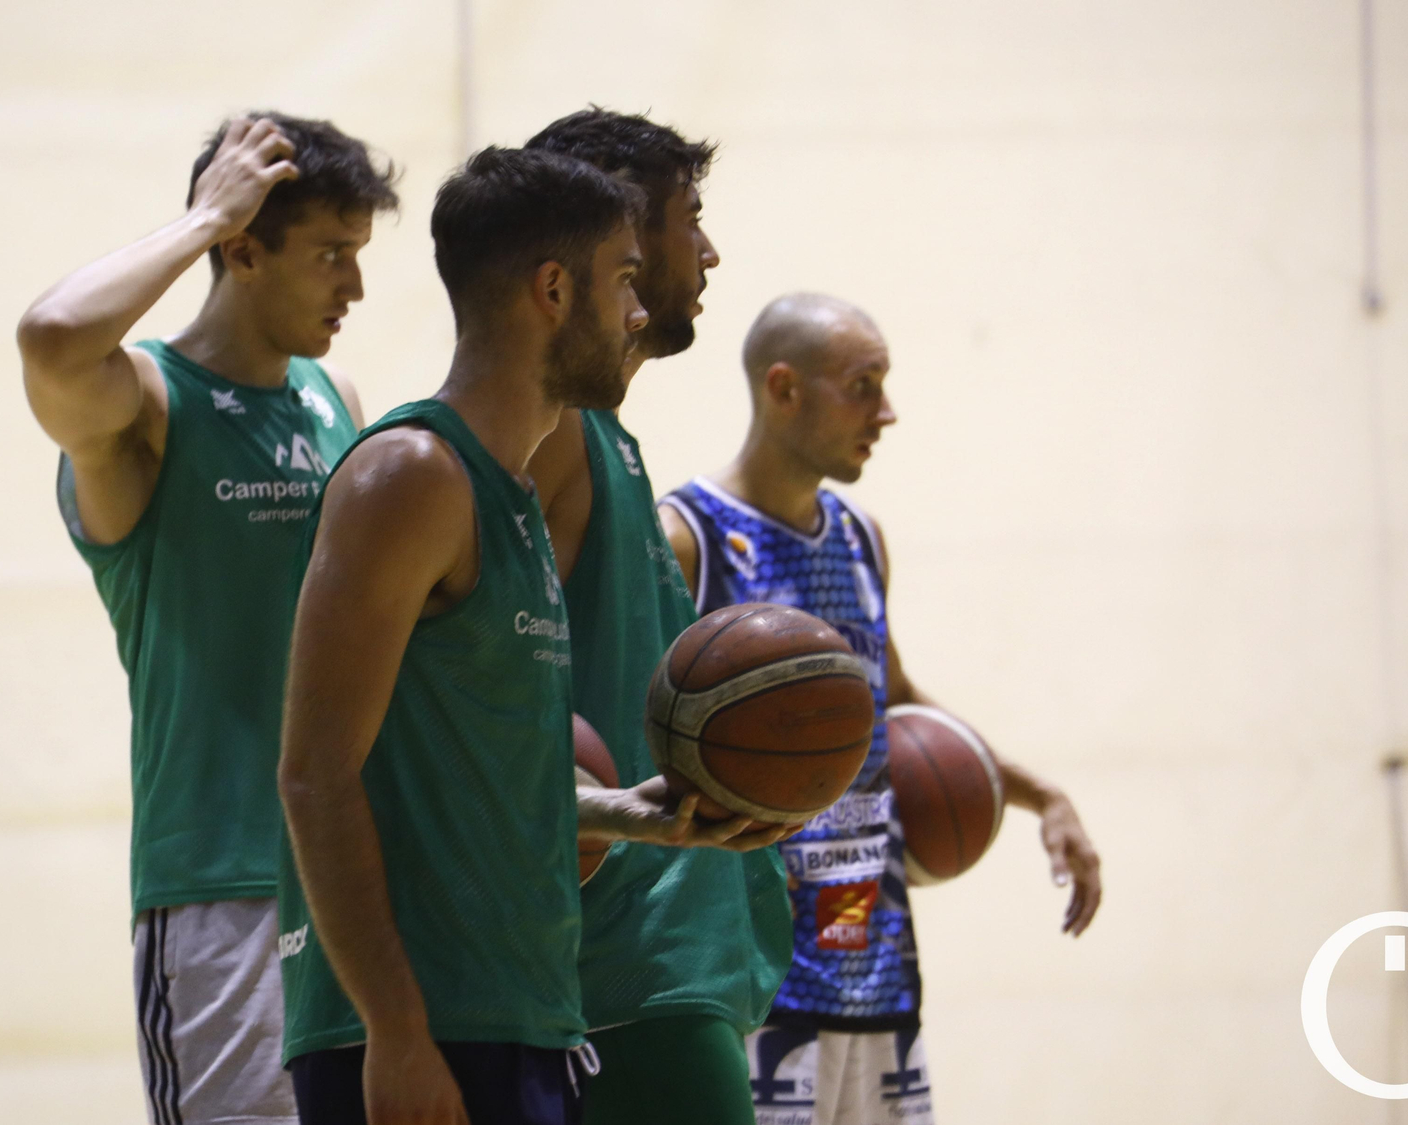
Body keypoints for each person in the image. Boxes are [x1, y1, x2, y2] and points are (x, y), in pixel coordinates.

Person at [279, 145, 704, 1125]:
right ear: (554, 290)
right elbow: (313, 772)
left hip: (523, 1017)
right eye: (626, 281)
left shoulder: (512, 495)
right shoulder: (411, 476)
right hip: (425, 1030)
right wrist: (394, 1031)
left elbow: (470, 778)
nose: (641, 313)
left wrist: (634, 815)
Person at [15, 112, 397, 1125]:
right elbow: (50, 337)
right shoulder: (146, 403)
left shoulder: (334, 399)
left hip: (353, 877)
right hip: (221, 890)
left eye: (356, 257)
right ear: (243, 248)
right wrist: (198, 220)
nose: (352, 289)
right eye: (328, 257)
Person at [658, 293, 1106, 1125]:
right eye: (863, 385)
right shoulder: (688, 537)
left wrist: (1043, 795)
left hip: (873, 962)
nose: (887, 412)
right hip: (753, 986)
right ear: (783, 387)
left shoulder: (862, 536)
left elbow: (889, 700)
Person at [521, 109, 796, 1125]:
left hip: (671, 963)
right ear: (621, 231)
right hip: (618, 975)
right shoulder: (549, 437)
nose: (708, 251)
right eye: (690, 219)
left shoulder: (611, 444)